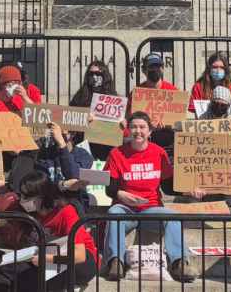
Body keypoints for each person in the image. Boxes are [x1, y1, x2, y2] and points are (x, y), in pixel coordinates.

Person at [100, 111, 197, 283]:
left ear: (150, 131)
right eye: (134, 127)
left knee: (173, 217)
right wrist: (120, 194)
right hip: (125, 209)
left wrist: (188, 191)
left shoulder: (159, 153)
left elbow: (168, 186)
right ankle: (115, 262)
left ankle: (180, 263)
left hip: (151, 209)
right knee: (114, 213)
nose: (138, 131)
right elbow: (110, 188)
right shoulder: (116, 154)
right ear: (128, 130)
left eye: (142, 127)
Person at [14, 172, 99, 290]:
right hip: (50, 259)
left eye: (27, 196)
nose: (22, 200)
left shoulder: (66, 212)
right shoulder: (32, 215)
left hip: (80, 263)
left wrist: (46, 258)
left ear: (42, 196)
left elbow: (80, 256)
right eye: (21, 195)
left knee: (36, 281)